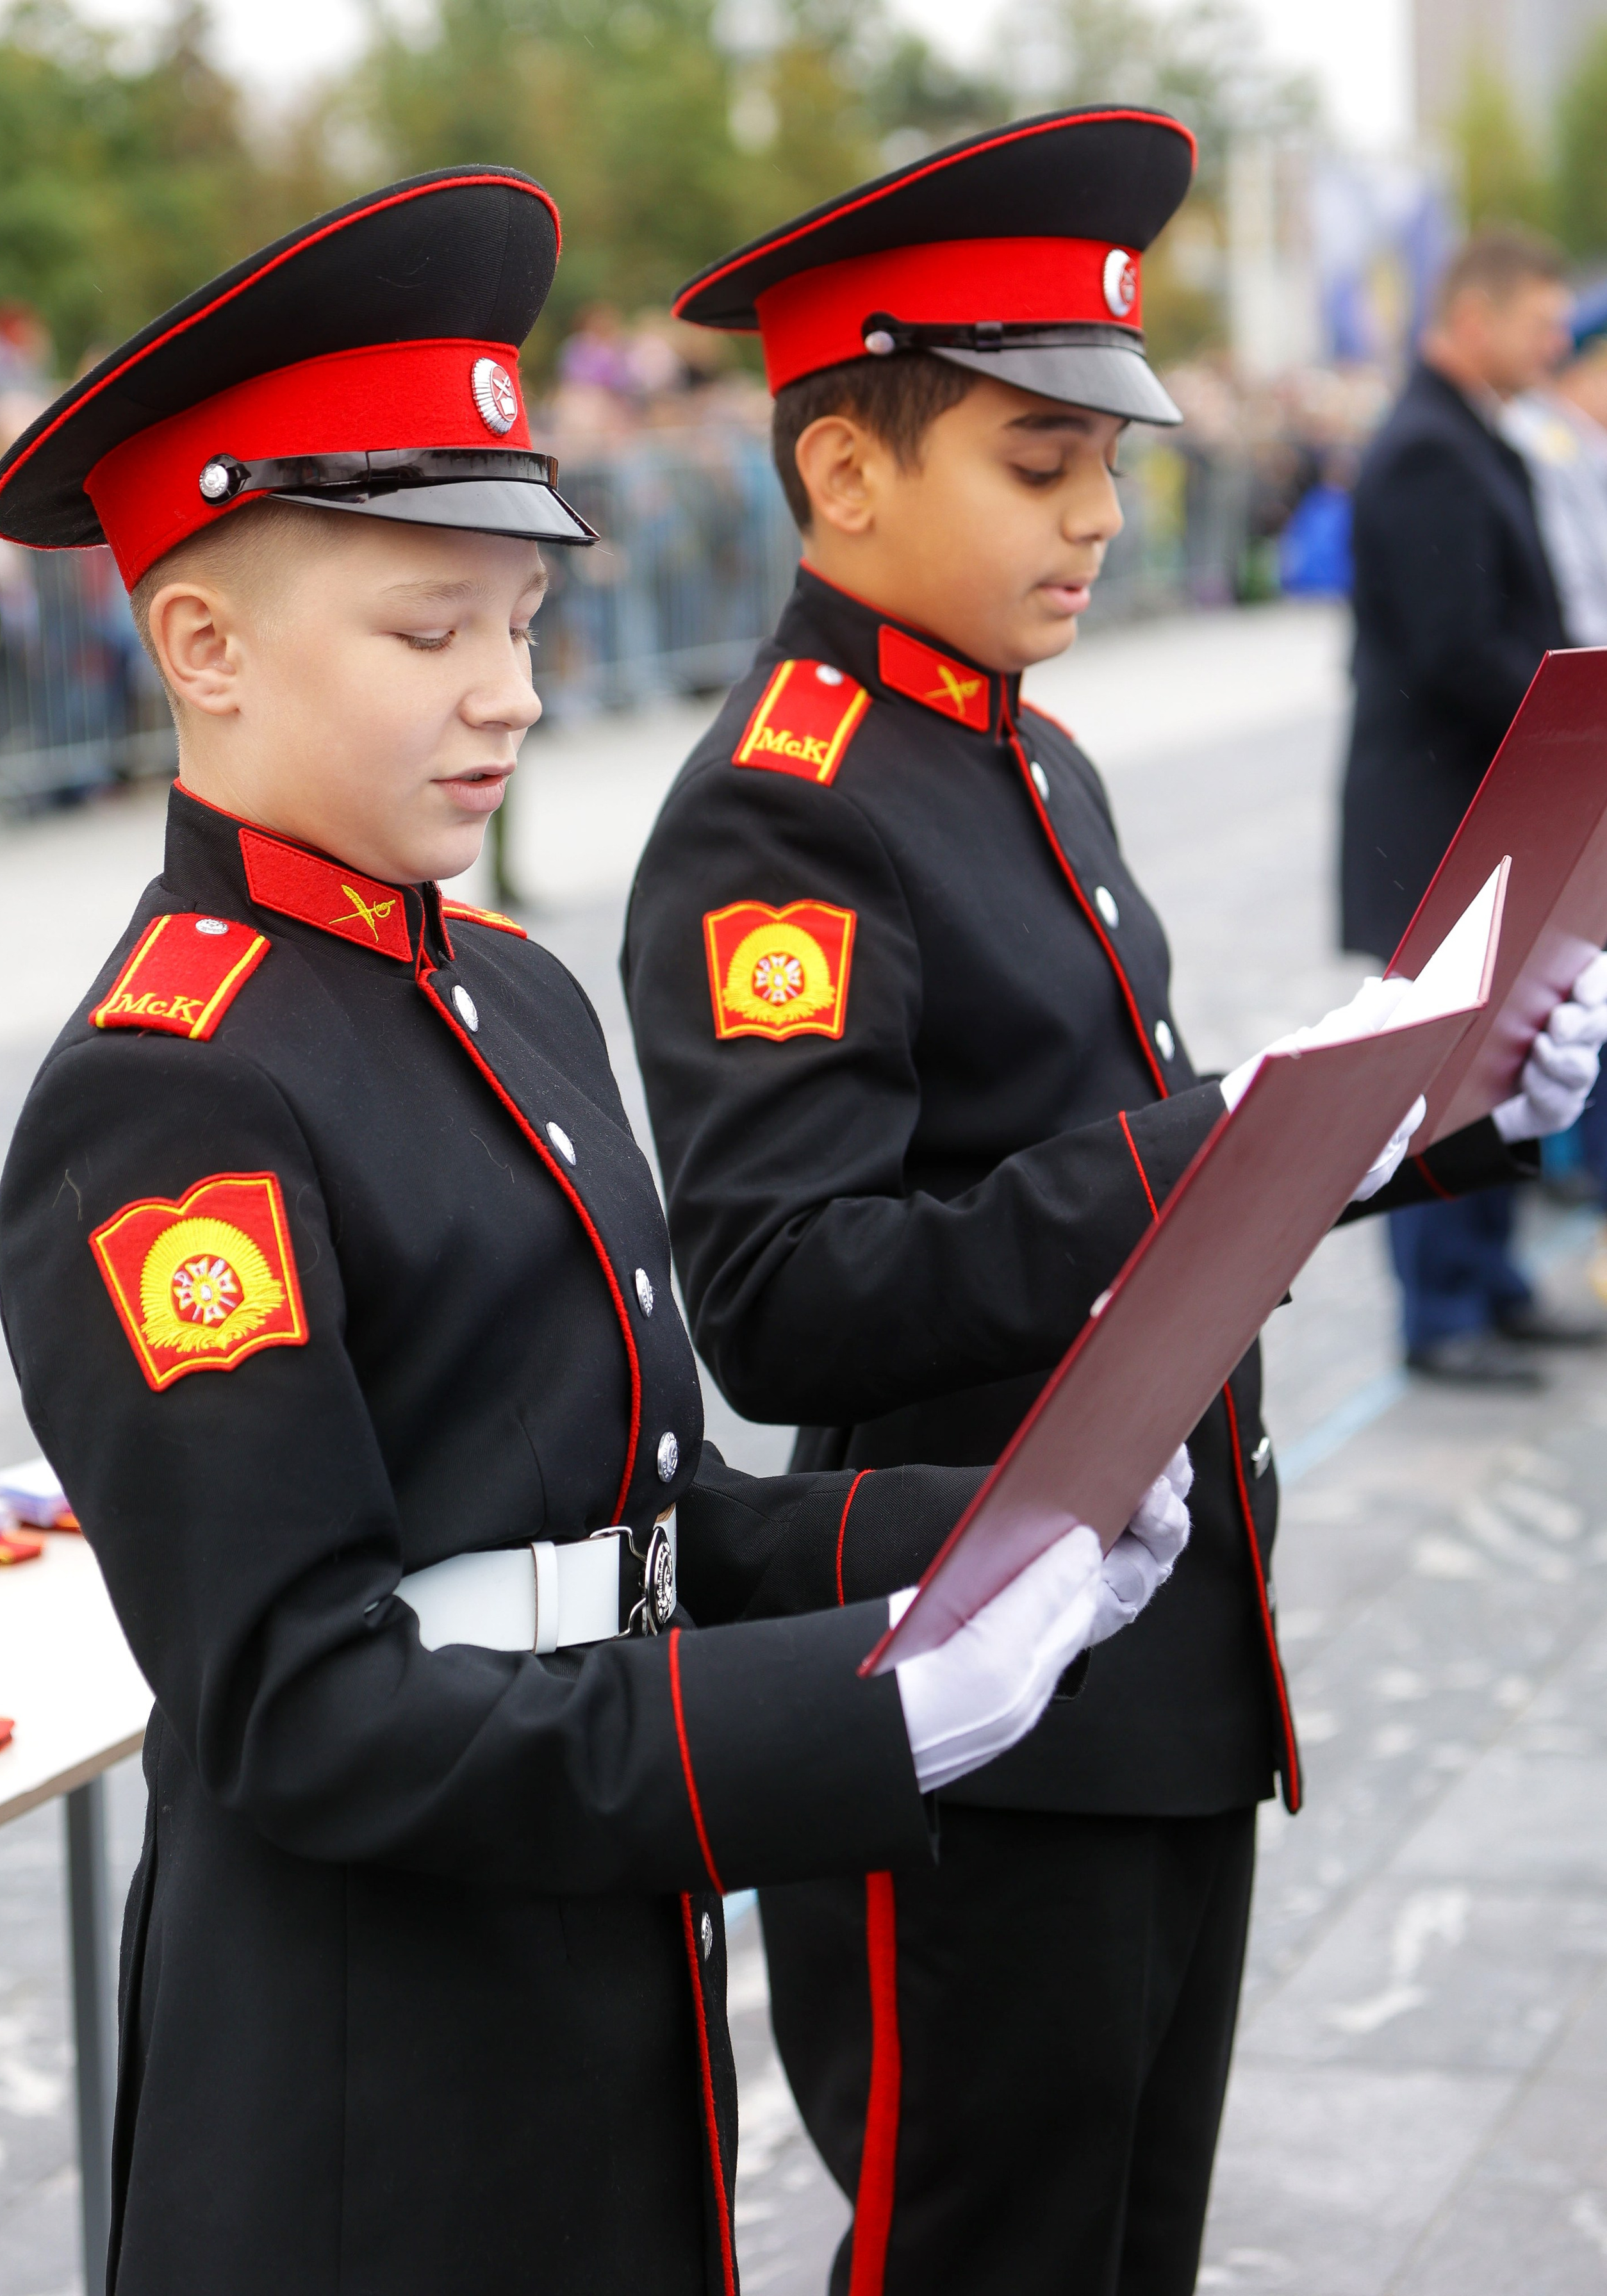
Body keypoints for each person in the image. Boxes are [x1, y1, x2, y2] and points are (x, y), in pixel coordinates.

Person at [0, 168, 1196, 2296]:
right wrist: (860, 1720)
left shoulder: (502, 987)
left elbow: (631, 1522)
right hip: (383, 2077)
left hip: (599, 1972)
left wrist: (987, 1533)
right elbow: (306, 1704)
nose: (514, 694)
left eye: (525, 625)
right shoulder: (172, 1091)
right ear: (199, 643)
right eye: (429, 628)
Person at [622, 114, 1607, 2296]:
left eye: (1113, 465)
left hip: (1152, 1666)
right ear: (847, 475)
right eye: (1039, 460)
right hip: (962, 1687)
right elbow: (786, 1299)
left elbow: (1140, 1176)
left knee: (1127, 2247)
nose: (1099, 514)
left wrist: (1429, 1108)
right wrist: (1229, 1119)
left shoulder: (1019, 751)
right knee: (989, 2250)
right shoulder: (779, 819)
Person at [1342, 228, 1607, 1384]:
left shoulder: (1473, 433)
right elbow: (1457, 650)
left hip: (1486, 804)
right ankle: (1441, 1311)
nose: (1556, 342)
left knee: (1503, 1056)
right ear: (1477, 316)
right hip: (1443, 812)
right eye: (1541, 320)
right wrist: (1575, 716)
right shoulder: (1427, 450)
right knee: (1437, 1074)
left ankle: (1487, 1281)